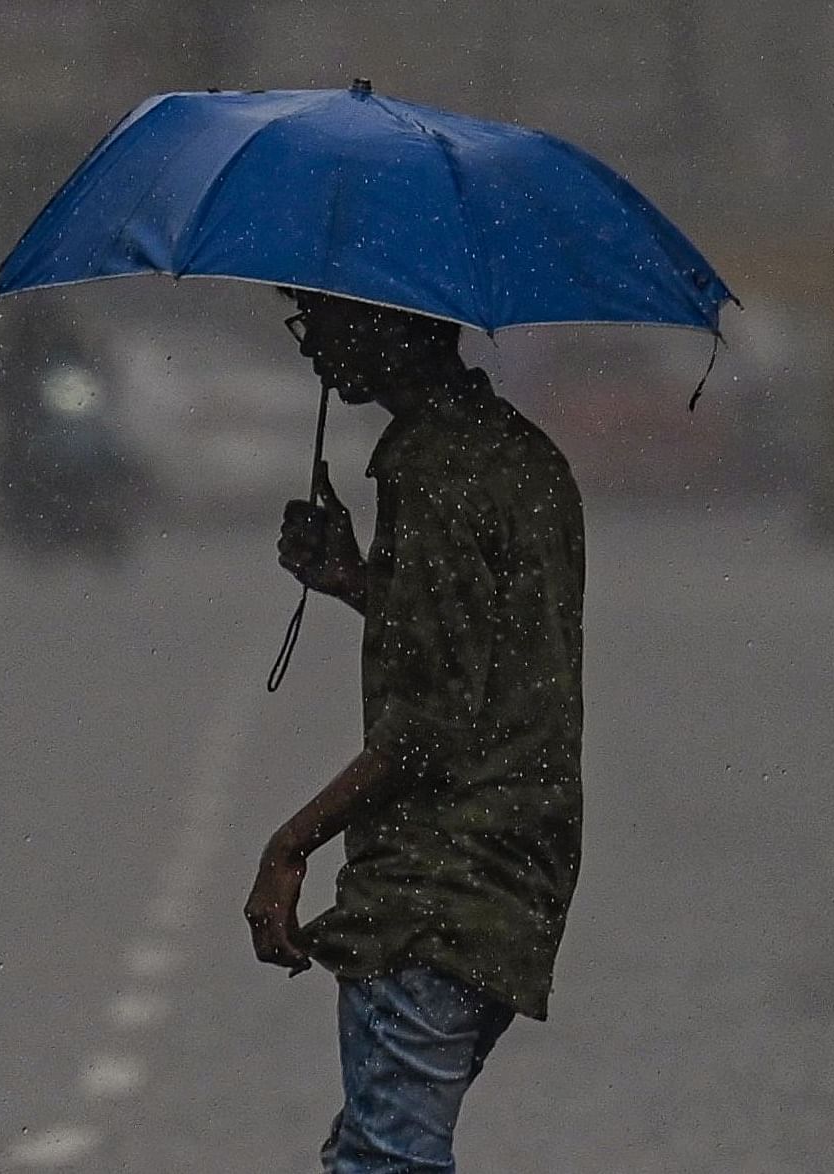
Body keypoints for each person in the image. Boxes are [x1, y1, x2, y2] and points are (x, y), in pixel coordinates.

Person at [244, 290, 586, 1173]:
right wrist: (357, 580)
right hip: (518, 873)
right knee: (373, 1144)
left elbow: (429, 724)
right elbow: (484, 659)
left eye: (327, 316)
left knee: (386, 1160)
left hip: (435, 889)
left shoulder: (436, 472)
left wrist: (288, 848)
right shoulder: (519, 455)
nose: (312, 339)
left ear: (398, 323)